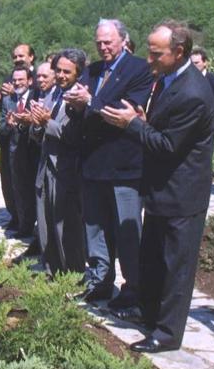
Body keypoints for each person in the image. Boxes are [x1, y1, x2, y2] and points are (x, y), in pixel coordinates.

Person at [100, 21, 214, 353]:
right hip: (161, 189)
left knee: (176, 266)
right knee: (152, 259)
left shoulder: (193, 92)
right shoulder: (168, 79)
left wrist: (133, 125)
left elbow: (168, 145)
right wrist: (143, 121)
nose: (149, 59)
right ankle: (149, 314)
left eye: (156, 53)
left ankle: (167, 333)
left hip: (182, 193)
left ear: (178, 52)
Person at [64, 18, 154, 308]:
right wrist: (76, 105)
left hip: (123, 165)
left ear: (123, 40)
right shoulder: (92, 70)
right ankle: (100, 280)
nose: (103, 47)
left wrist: (90, 102)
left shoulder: (138, 69)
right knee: (95, 228)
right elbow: (83, 107)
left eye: (108, 42)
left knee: (126, 231)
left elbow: (125, 112)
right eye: (98, 43)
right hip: (93, 163)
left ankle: (133, 288)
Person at [29, 53, 87, 275]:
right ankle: (51, 270)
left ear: (78, 73)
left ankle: (72, 274)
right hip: (45, 166)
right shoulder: (52, 95)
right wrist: (36, 124)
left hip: (66, 169)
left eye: (67, 72)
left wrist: (47, 122)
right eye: (58, 71)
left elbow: (74, 136)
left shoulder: (79, 98)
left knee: (66, 226)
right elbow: (38, 134)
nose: (61, 75)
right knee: (45, 222)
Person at [0, 66, 39, 239]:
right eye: (15, 80)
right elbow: (2, 128)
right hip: (16, 151)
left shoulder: (36, 97)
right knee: (18, 189)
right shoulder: (8, 101)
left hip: (34, 150)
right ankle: (24, 224)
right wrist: (10, 125)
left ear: (30, 81)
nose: (17, 83)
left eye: (21, 79)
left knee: (35, 189)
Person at [190, 47, 214, 137]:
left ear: (205, 63)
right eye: (191, 63)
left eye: (196, 63)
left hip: (209, 126)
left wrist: (206, 120)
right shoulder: (185, 81)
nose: (193, 66)